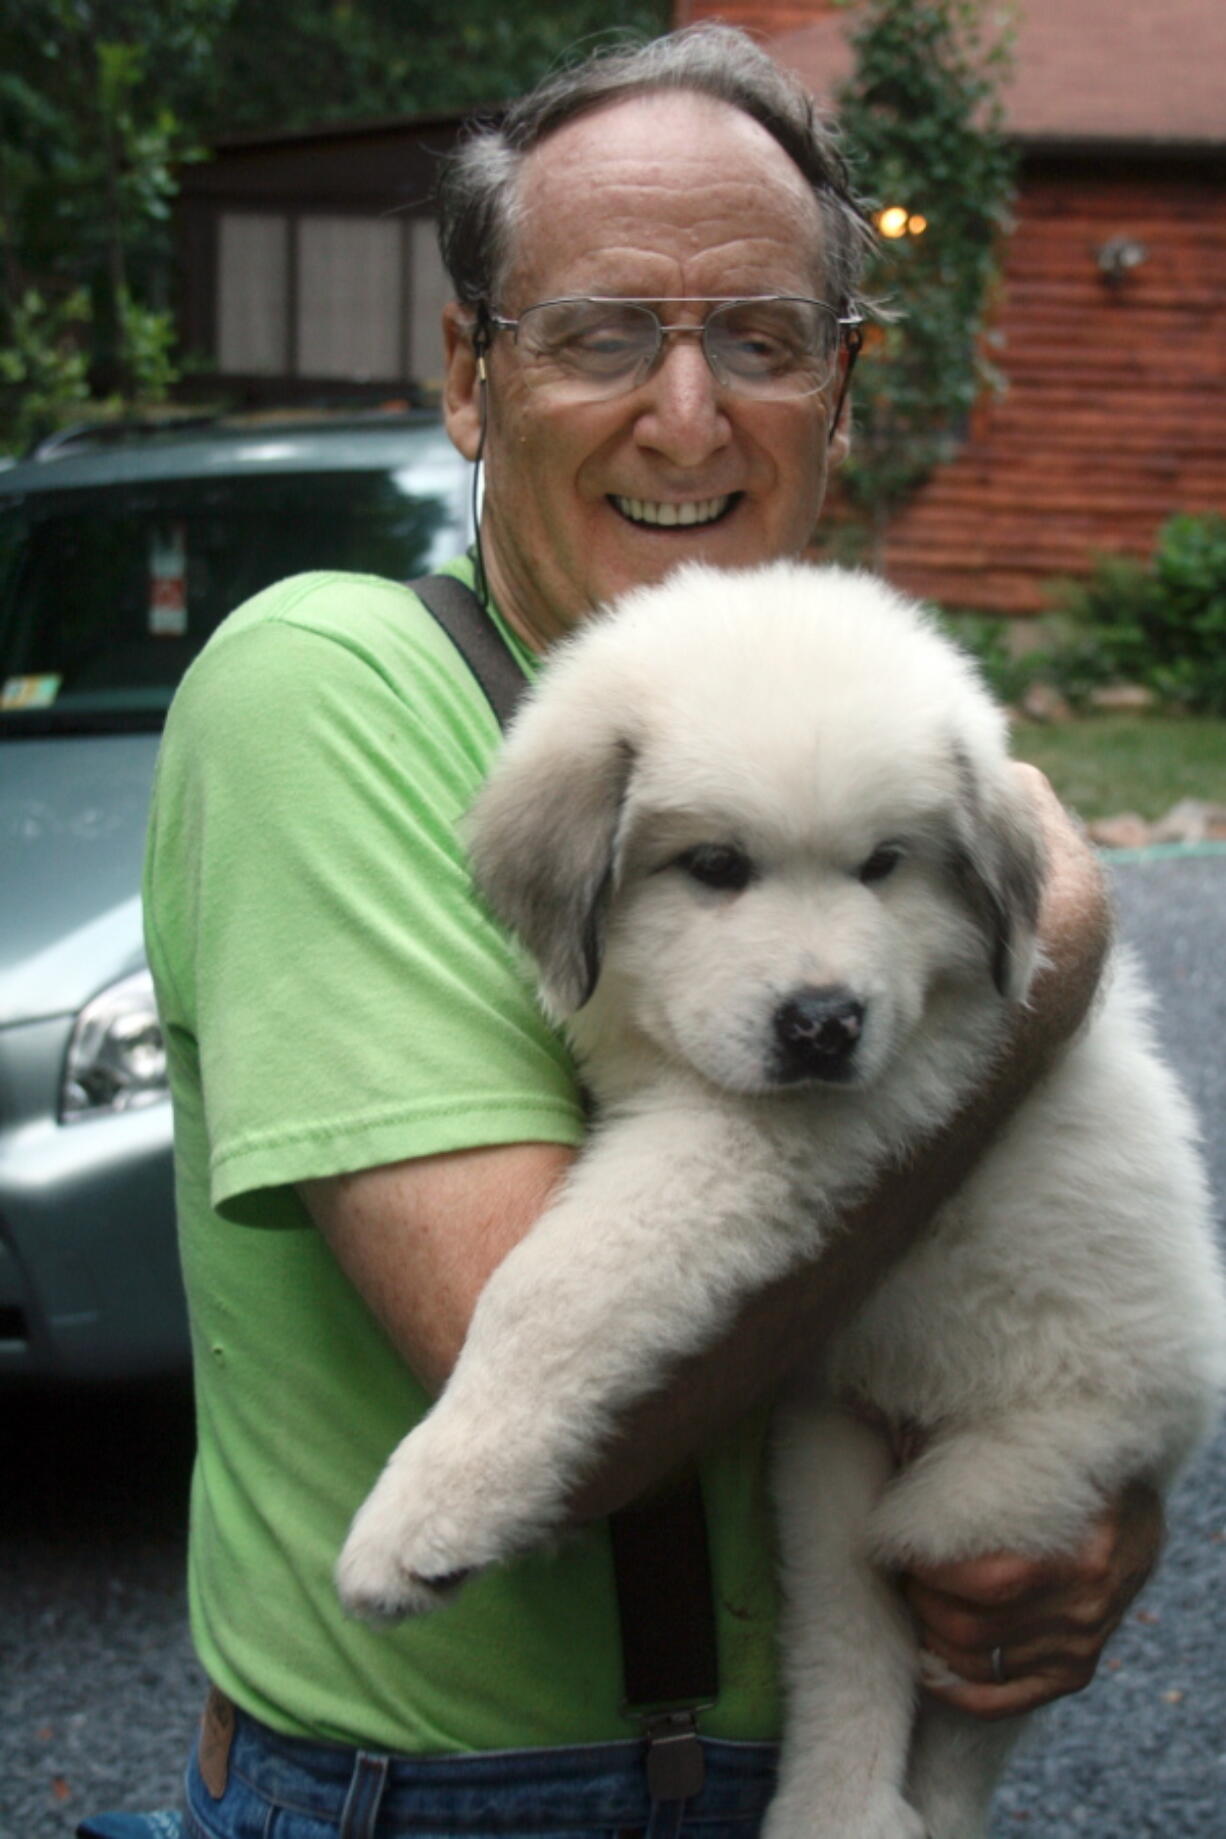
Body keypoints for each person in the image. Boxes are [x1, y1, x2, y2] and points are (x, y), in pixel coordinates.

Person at [136, 25, 1162, 1839]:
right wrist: (1044, 957)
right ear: (469, 373)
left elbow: (1008, 1300)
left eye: (760, 340)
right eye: (603, 332)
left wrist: (1084, 1515)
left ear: (840, 390)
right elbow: (523, 1361)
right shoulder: (335, 686)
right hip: (451, 1802)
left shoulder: (834, 704)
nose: (685, 416)